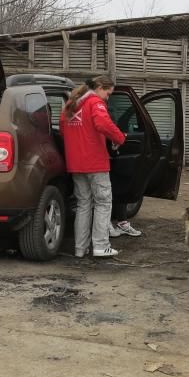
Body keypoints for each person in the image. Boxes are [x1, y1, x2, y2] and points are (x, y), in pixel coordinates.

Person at [60, 76, 126, 258]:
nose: (107, 97)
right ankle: (101, 245)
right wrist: (119, 138)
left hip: (75, 163)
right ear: (98, 87)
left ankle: (80, 249)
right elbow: (102, 123)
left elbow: (63, 130)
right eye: (107, 92)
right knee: (103, 203)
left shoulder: (70, 105)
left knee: (83, 205)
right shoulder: (95, 103)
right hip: (95, 162)